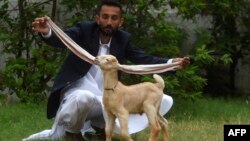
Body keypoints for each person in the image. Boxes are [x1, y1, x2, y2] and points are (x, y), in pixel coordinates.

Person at [24, 0, 190, 140]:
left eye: (114, 18)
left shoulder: (123, 39)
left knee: (154, 99)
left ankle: (99, 128)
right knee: (83, 98)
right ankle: (72, 134)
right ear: (97, 18)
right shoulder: (84, 29)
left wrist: (171, 63)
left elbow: (143, 59)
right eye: (105, 17)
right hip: (78, 93)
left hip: (106, 99)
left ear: (120, 21)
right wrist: (47, 32)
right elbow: (63, 39)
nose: (109, 22)